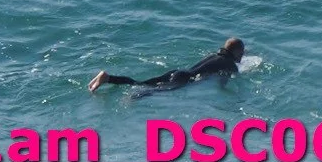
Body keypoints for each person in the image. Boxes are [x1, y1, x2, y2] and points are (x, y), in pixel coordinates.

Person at [88, 37, 246, 95]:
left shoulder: (214, 55)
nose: (242, 56)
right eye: (242, 53)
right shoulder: (230, 64)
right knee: (152, 91)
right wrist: (226, 92)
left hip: (178, 72)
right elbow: (223, 83)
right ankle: (134, 97)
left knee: (141, 82)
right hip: (185, 79)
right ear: (237, 53)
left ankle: (108, 78)